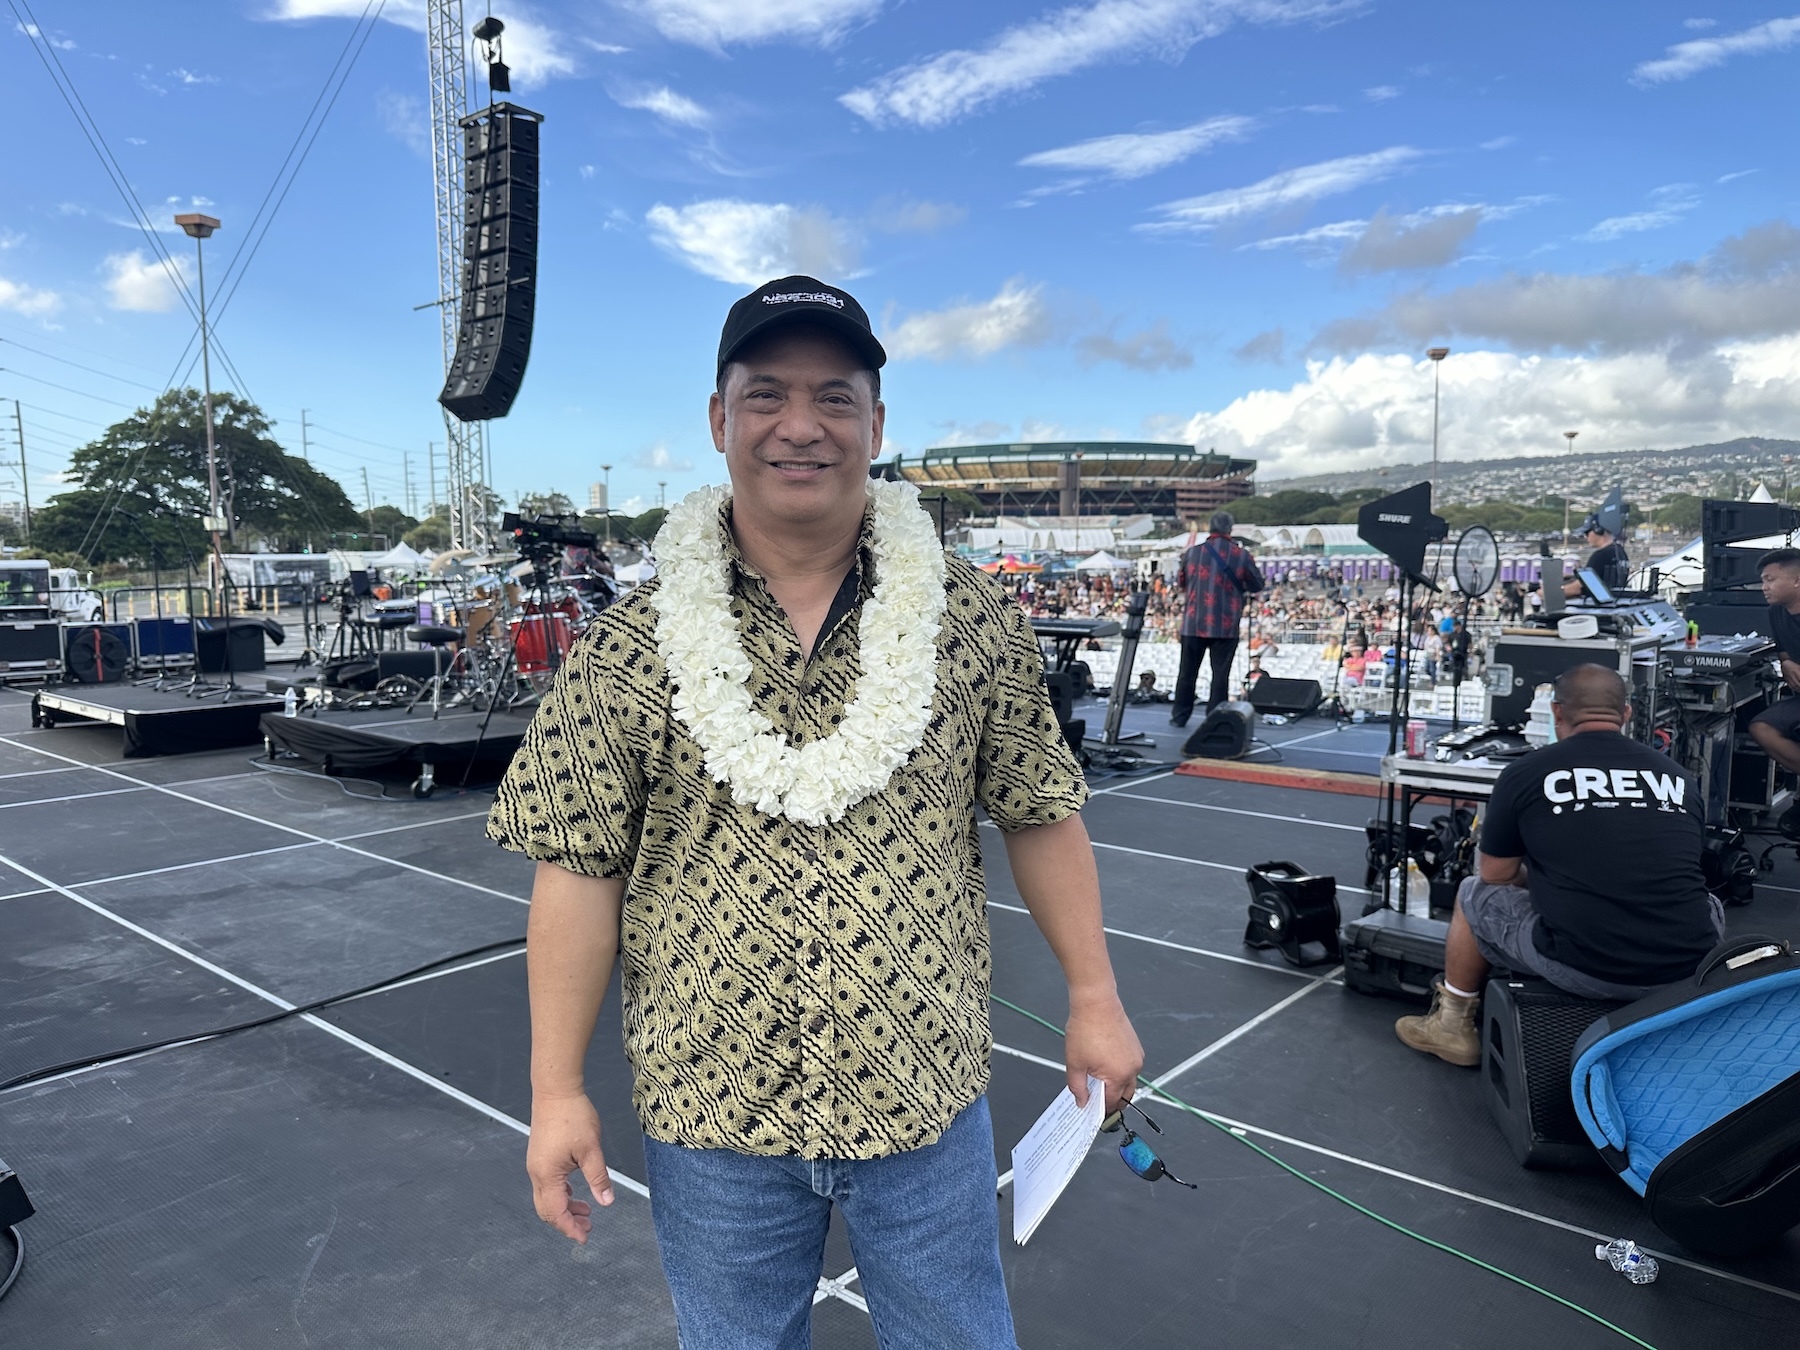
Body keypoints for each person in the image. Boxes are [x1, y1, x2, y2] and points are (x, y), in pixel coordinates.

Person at [486, 274, 1145, 1349]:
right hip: (711, 1107)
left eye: (835, 398)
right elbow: (576, 869)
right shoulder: (627, 644)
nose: (801, 426)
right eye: (768, 395)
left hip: (922, 1093)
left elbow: (1040, 811)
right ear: (719, 419)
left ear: (876, 426)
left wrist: (1096, 998)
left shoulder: (971, 619)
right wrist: (555, 1090)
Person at [1395, 664, 1723, 1067]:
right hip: (1690, 965)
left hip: (1589, 968)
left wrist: (1545, 878)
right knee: (1705, 899)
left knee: (1472, 892)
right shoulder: (1679, 777)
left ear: (1556, 712)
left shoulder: (1525, 772)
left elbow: (1495, 875)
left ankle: (1451, 1025)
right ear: (1626, 714)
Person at [1169, 511, 1264, 727]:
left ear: (1210, 528)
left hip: (1193, 623)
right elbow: (1257, 585)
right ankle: (1214, 720)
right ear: (1230, 529)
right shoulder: (1241, 555)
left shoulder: (1192, 553)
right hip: (1225, 625)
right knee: (1220, 676)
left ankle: (1179, 717)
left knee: (1186, 673)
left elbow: (1182, 582)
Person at [1747, 548, 1800, 833]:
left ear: (1797, 581)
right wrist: (1786, 661)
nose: (1764, 587)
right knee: (1762, 728)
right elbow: (1782, 648)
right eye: (1762, 581)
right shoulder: (1776, 612)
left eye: (1770, 579)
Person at [1564, 513, 1630, 597]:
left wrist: (1554, 592)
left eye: (1587, 533)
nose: (1586, 537)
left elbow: (1578, 588)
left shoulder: (1600, 555)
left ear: (1598, 530)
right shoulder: (1620, 551)